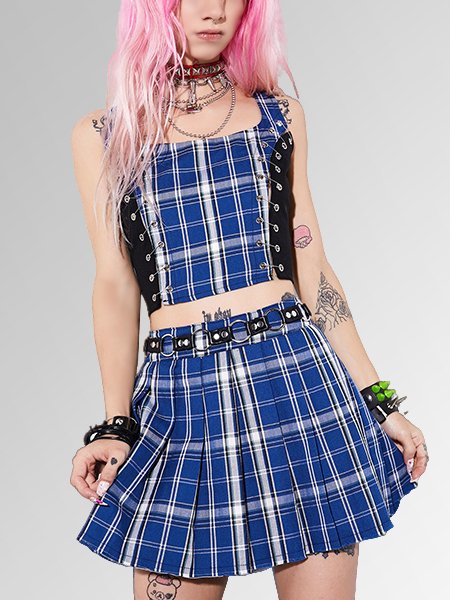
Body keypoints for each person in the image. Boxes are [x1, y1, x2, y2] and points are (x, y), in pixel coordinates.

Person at [70, 1, 428, 598]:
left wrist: (379, 397)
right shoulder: (105, 134)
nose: (214, 11)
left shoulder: (279, 116)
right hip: (181, 397)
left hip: (296, 383)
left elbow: (312, 265)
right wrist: (116, 423)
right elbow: (114, 282)